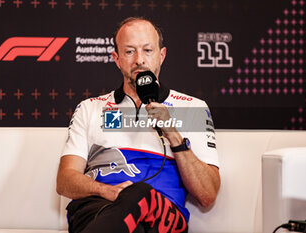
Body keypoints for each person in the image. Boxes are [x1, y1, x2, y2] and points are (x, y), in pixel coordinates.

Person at [56, 17, 220, 233]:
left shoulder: (193, 108)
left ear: (161, 55)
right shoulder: (89, 109)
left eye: (148, 50)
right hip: (99, 208)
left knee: (140, 192)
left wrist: (173, 135)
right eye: (129, 51)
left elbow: (207, 195)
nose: (139, 60)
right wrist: (107, 191)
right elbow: (65, 181)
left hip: (164, 216)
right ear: (116, 58)